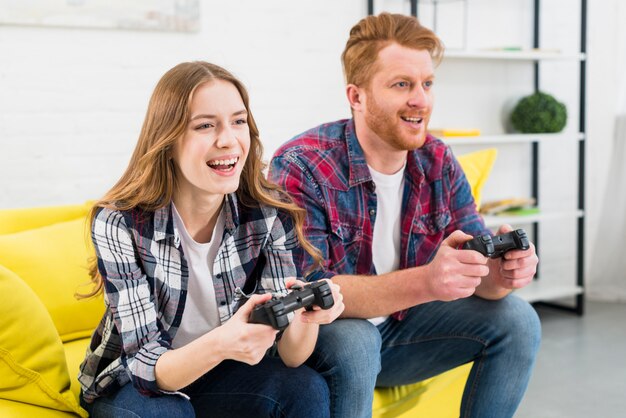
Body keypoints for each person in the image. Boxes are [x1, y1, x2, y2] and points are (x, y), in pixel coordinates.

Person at [268, 13, 541, 418]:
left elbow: (476, 269)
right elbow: (308, 290)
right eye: (402, 85)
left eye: (427, 84)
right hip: (328, 339)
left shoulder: (438, 160)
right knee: (355, 341)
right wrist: (428, 281)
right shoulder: (302, 164)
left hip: (406, 333)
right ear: (356, 96)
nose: (421, 100)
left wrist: (499, 277)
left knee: (519, 319)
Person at [77, 61, 344, 418]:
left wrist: (309, 318)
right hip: (134, 386)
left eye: (238, 121)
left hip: (219, 376)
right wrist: (221, 344)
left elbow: (291, 355)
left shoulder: (268, 214)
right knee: (167, 414)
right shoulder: (119, 222)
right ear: (167, 140)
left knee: (304, 388)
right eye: (205, 125)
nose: (228, 140)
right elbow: (144, 368)